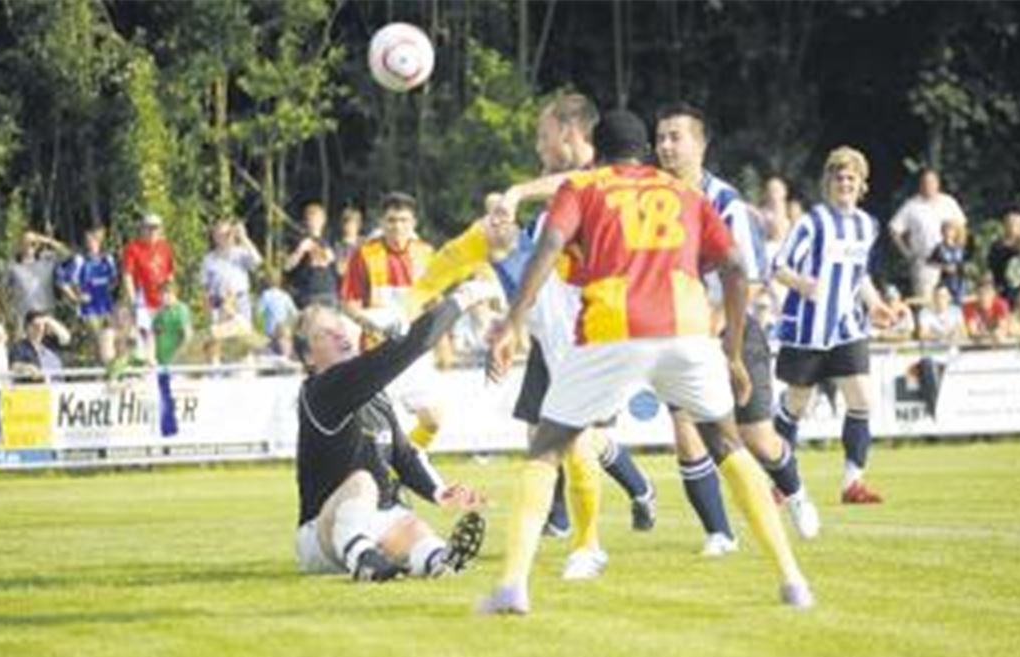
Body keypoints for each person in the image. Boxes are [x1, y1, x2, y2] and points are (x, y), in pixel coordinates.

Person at [481, 110, 813, 614]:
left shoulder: (585, 186)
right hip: (686, 331)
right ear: (646, 150)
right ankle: (792, 580)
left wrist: (512, 320)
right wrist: (733, 353)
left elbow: (549, 245)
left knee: (546, 448)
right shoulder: (685, 194)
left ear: (598, 146)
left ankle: (512, 585)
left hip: (613, 327)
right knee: (728, 443)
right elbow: (735, 267)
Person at [414, 93, 661, 566]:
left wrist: (518, 191)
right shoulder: (555, 201)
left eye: (544, 136)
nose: (538, 146)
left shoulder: (598, 178)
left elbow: (578, 181)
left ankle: (613, 513)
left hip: (588, 334)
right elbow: (537, 272)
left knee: (576, 436)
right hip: (554, 334)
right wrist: (513, 319)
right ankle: (566, 521)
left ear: (571, 133)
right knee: (542, 431)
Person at [655, 103, 821, 548]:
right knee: (686, 434)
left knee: (757, 439)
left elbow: (745, 279)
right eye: (661, 138)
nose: (666, 146)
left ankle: (796, 492)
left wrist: (715, 330)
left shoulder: (726, 203)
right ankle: (719, 534)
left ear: (701, 145)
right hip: (679, 335)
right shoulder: (651, 199)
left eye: (676, 136)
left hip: (732, 331)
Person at [293, 281, 495, 581]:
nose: (339, 333)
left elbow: (403, 453)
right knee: (363, 481)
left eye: (339, 326)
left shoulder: (375, 395)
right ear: (309, 357)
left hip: (374, 517)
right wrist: (461, 300)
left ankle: (439, 559)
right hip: (322, 532)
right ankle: (362, 558)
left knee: (414, 529)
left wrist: (438, 490)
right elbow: (414, 345)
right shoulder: (321, 389)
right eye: (324, 333)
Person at [773, 146, 896, 505]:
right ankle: (780, 481)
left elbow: (860, 276)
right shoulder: (812, 222)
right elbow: (778, 266)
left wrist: (875, 306)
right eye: (839, 177)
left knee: (861, 400)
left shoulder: (867, 225)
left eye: (851, 178)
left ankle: (852, 484)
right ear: (829, 183)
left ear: (862, 185)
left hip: (847, 328)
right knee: (796, 404)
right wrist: (804, 286)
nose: (845, 183)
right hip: (807, 329)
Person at [340, 192, 443, 451]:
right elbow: (348, 304)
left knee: (432, 421)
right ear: (382, 222)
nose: (397, 227)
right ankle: (375, 480)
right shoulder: (364, 254)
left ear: (414, 223)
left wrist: (443, 341)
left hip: (415, 350)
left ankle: (400, 470)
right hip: (378, 351)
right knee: (377, 430)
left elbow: (435, 303)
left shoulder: (426, 254)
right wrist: (371, 325)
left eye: (404, 220)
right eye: (391, 220)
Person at [889, 168, 967, 302]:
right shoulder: (911, 205)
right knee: (926, 303)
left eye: (932, 182)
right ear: (920, 185)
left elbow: (962, 227)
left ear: (938, 184)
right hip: (925, 264)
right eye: (925, 182)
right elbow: (893, 229)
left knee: (953, 302)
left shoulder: (949, 202)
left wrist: (959, 252)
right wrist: (907, 253)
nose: (928, 185)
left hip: (950, 263)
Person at [121, 213, 175, 339]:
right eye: (148, 227)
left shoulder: (165, 246)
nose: (152, 231)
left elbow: (170, 273)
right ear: (142, 228)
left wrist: (170, 294)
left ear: (161, 229)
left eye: (155, 227)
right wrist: (133, 299)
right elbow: (127, 275)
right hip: (143, 299)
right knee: (146, 335)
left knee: (164, 335)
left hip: (161, 298)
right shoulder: (132, 248)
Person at [200, 219, 263, 324]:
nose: (224, 238)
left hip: (240, 302)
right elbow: (205, 286)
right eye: (220, 235)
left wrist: (243, 237)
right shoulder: (209, 259)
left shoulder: (240, 253)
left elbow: (257, 260)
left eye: (227, 234)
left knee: (243, 337)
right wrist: (208, 309)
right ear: (215, 237)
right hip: (219, 304)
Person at [5, 230, 69, 327]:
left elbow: (66, 253)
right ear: (20, 244)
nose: (29, 246)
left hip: (47, 314)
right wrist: (10, 314)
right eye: (26, 243)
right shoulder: (13, 266)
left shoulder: (47, 260)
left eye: (33, 243)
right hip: (24, 317)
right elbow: (4, 291)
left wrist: (47, 240)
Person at [76, 226, 119, 364]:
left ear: (99, 242)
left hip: (106, 305)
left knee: (109, 338)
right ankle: (98, 368)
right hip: (89, 308)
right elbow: (70, 281)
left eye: (93, 241)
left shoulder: (107, 259)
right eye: (88, 242)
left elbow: (115, 279)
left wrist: (108, 289)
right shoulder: (81, 260)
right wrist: (77, 296)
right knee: (95, 337)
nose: (90, 244)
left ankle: (107, 368)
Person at [285, 202, 340, 308]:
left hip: (328, 293)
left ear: (323, 221)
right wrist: (299, 251)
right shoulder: (298, 241)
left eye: (317, 219)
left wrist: (332, 257)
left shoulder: (331, 241)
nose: (313, 222)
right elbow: (287, 267)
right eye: (310, 219)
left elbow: (339, 269)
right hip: (307, 294)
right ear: (306, 221)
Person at [9, 309, 70, 383]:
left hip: (59, 388)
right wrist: (28, 368)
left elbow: (66, 338)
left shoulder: (50, 343)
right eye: (35, 325)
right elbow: (14, 366)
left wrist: (49, 320)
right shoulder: (20, 347)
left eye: (42, 325)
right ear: (27, 327)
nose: (39, 329)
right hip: (36, 390)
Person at [987, 210, 1020, 300]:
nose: (1012, 226)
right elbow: (991, 268)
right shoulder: (997, 246)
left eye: (1015, 223)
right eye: (1009, 223)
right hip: (1002, 288)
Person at [152, 281, 194, 367]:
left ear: (175, 294)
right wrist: (151, 357)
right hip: (161, 362)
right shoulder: (160, 313)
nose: (165, 297)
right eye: (162, 294)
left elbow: (188, 336)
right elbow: (152, 336)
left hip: (177, 364)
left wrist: (177, 358)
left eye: (168, 293)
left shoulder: (181, 309)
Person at [929, 218, 968, 303]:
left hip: (960, 281)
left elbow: (966, 262)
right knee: (947, 302)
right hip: (946, 281)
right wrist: (944, 267)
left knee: (960, 303)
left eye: (951, 230)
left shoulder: (960, 247)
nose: (948, 233)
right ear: (942, 232)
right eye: (946, 230)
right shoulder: (939, 248)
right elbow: (930, 262)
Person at [963, 274, 1010, 343]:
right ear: (977, 295)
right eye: (981, 293)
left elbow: (1003, 329)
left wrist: (998, 332)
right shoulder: (969, 307)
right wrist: (988, 335)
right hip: (977, 343)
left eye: (987, 292)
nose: (984, 297)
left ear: (993, 294)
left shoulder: (1001, 304)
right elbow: (973, 332)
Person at [256, 268, 299, 339]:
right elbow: (295, 313)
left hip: (270, 331)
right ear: (280, 281)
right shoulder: (285, 295)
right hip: (283, 331)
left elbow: (258, 312)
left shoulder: (266, 295)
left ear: (268, 281)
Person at [334, 205, 365, 276]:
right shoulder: (339, 245)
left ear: (359, 225)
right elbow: (340, 271)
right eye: (346, 223)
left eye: (353, 223)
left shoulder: (365, 243)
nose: (349, 227)